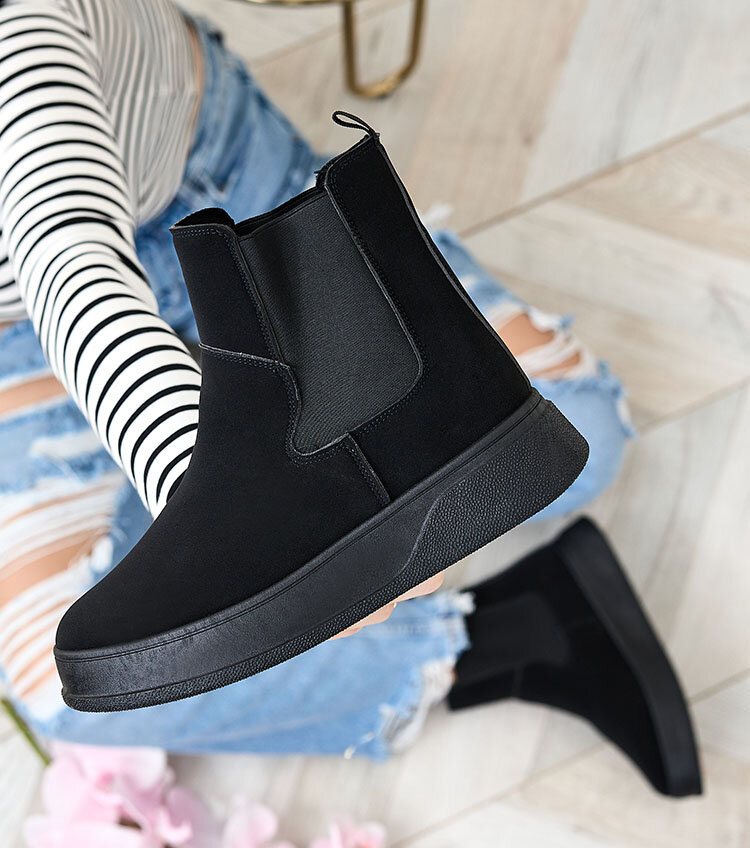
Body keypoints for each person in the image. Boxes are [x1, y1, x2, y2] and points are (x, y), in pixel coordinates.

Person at [3, 0, 691, 796]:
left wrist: (224, 492)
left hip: (205, 194)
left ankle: (282, 479)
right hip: (18, 336)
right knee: (68, 681)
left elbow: (65, 249)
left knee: (575, 435)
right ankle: (520, 626)